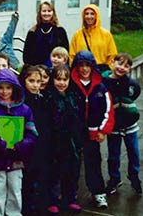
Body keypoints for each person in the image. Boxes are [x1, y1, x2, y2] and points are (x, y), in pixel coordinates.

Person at [0, 68, 38, 216]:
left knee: (15, 191)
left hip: (17, 160)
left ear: (14, 88)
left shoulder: (25, 110)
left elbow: (32, 133)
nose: (4, 91)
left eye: (8, 87)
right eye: (1, 88)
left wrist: (22, 145)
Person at [70, 50, 114, 209]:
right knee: (72, 163)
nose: (84, 69)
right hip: (74, 133)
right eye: (80, 65)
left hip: (93, 133)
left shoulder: (101, 87)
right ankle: (70, 194)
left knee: (93, 162)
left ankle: (98, 193)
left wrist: (102, 130)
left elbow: (108, 110)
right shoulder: (71, 85)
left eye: (87, 65)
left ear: (92, 67)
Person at [102, 53, 142, 195]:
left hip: (129, 125)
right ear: (113, 63)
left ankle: (134, 175)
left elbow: (135, 92)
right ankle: (114, 179)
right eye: (120, 63)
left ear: (130, 69)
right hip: (114, 125)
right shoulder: (105, 82)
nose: (122, 68)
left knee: (134, 152)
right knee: (113, 154)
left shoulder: (130, 83)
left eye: (126, 66)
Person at [47, 65, 85, 214]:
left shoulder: (73, 96)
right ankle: (53, 200)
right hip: (55, 140)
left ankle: (70, 199)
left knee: (71, 171)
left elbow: (79, 118)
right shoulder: (49, 97)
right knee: (54, 172)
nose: (61, 83)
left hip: (71, 141)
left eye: (65, 79)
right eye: (58, 79)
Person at [19, 65, 53, 216]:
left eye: (38, 81)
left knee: (37, 179)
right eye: (31, 80)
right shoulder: (21, 101)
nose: (35, 84)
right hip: (25, 146)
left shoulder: (42, 99)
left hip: (40, 146)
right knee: (26, 182)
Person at [69, 4, 117, 72]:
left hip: (101, 71)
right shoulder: (77, 35)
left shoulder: (106, 35)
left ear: (97, 16)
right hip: (82, 71)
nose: (89, 16)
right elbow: (72, 55)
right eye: (86, 14)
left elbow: (112, 55)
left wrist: (108, 70)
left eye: (92, 14)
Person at [23, 1, 69, 67]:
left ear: (53, 13)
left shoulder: (60, 31)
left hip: (56, 70)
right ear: (40, 13)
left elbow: (66, 53)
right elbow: (26, 57)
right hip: (37, 70)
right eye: (44, 11)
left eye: (49, 11)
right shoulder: (32, 32)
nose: (46, 13)